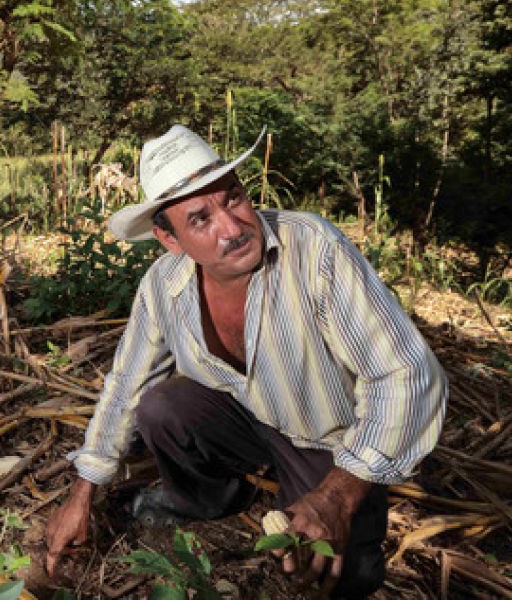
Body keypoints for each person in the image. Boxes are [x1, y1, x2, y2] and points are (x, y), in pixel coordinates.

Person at [45, 126, 447, 598]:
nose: (232, 229)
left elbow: (405, 373)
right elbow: (125, 384)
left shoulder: (313, 249)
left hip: (326, 439)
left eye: (233, 199)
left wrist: (337, 496)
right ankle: (208, 499)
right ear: (169, 240)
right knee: (161, 408)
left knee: (343, 573)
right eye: (200, 220)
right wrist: (82, 494)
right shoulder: (163, 285)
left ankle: (319, 499)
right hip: (244, 419)